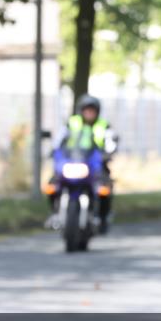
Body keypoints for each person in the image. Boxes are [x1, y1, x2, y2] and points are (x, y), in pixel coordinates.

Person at [50, 94, 118, 233]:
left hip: (95, 163)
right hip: (73, 161)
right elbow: (59, 140)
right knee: (52, 184)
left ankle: (102, 217)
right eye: (86, 110)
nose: (89, 113)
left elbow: (111, 141)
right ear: (81, 110)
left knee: (105, 187)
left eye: (92, 110)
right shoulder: (72, 122)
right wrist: (53, 151)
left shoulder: (103, 125)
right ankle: (55, 213)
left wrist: (108, 153)